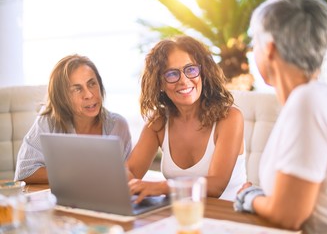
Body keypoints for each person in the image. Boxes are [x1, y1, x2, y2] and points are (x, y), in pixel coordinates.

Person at [233, 0, 327, 233]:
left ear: (269, 48)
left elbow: (288, 215)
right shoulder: (323, 97)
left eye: (255, 42)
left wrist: (249, 197)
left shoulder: (308, 102)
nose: (253, 50)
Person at [126, 35, 246, 203]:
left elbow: (216, 185)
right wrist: (127, 180)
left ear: (202, 73)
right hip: (181, 217)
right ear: (159, 83)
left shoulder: (229, 118)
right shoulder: (158, 124)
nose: (184, 80)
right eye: (172, 74)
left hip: (228, 218)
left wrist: (160, 187)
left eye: (190, 69)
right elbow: (130, 170)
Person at [14, 54, 132, 184]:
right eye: (77, 89)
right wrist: (79, 175)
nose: (88, 94)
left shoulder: (118, 125)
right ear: (62, 97)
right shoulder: (49, 121)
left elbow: (127, 177)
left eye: (92, 84)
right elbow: (25, 171)